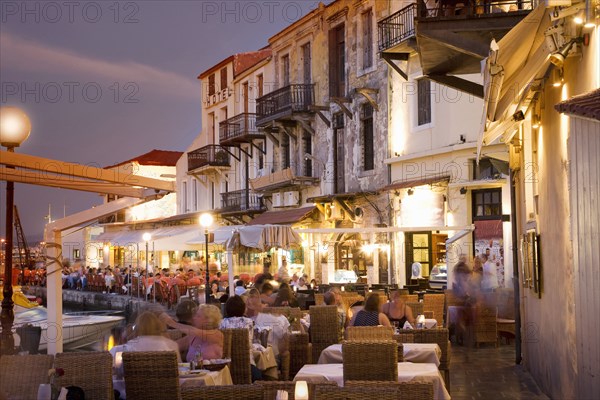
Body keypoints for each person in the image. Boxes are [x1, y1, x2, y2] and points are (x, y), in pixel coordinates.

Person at [220, 296, 263, 381]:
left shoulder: (222, 323)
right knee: (262, 375)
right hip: (247, 364)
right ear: (243, 308)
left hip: (226, 367)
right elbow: (250, 341)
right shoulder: (248, 322)